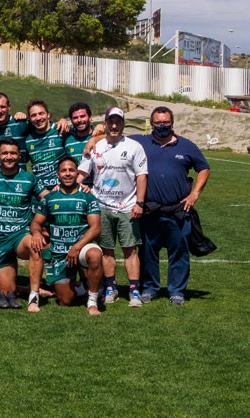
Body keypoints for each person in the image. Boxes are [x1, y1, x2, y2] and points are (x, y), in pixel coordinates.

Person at [132, 106, 210, 305]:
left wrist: (195, 194)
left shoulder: (186, 146)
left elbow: (204, 168)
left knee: (179, 252)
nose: (162, 126)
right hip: (150, 209)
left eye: (165, 123)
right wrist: (94, 136)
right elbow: (113, 138)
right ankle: (150, 288)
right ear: (151, 124)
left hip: (178, 210)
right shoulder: (140, 142)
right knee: (148, 252)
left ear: (172, 123)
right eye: (158, 123)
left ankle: (177, 291)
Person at [78, 107, 147, 307]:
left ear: (123, 124)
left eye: (118, 122)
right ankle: (111, 287)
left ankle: (134, 291)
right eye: (111, 122)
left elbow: (142, 176)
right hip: (102, 207)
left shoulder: (134, 147)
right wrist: (71, 185)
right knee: (107, 251)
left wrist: (139, 203)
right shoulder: (95, 146)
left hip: (128, 206)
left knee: (130, 250)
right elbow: (82, 173)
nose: (114, 125)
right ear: (105, 124)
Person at [0, 138, 45, 310]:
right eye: (5, 153)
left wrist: (38, 227)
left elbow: (48, 199)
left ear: (19, 156)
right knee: (6, 293)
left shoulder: (29, 178)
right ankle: (20, 289)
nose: (9, 156)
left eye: (13, 153)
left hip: (21, 235)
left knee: (35, 245)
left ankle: (34, 297)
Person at [30, 156, 103, 315]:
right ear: (58, 174)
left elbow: (96, 227)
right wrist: (36, 233)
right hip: (60, 253)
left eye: (71, 170)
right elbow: (36, 223)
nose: (68, 174)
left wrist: (76, 247)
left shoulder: (87, 196)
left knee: (95, 254)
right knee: (65, 301)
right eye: (64, 170)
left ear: (77, 173)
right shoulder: (49, 198)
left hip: (81, 247)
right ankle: (83, 287)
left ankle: (92, 301)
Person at [25, 98, 66, 191]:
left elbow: (84, 134)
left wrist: (99, 127)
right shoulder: (28, 140)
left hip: (60, 190)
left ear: (48, 115)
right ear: (30, 119)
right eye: (33, 115)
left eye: (41, 113)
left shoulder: (60, 130)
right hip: (39, 192)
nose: (38, 118)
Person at [64, 102, 95, 186]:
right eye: (75, 118)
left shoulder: (99, 136)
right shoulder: (67, 137)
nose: (79, 120)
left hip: (96, 189)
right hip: (75, 188)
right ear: (71, 120)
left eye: (82, 116)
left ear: (90, 117)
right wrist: (61, 120)